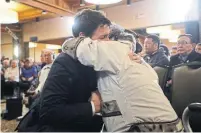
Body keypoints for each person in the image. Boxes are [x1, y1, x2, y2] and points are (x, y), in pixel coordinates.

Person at [64, 24, 182, 132]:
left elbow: (72, 46)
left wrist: (82, 38)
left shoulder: (114, 50)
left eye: (106, 36)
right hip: (172, 125)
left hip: (144, 128)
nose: (104, 41)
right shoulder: (141, 63)